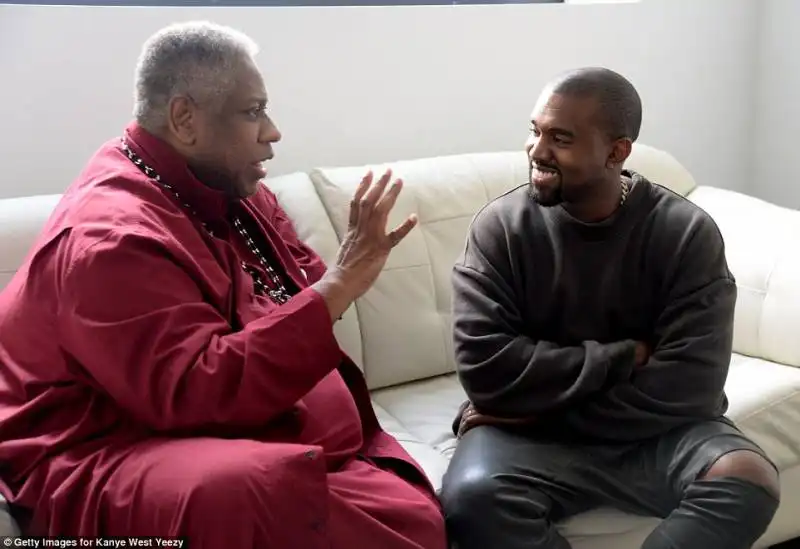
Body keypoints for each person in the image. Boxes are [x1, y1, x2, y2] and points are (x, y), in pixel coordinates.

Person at [0, 21, 447, 549]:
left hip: (220, 421)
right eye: (253, 112)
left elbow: (293, 283)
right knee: (250, 487)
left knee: (400, 510)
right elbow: (191, 389)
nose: (273, 132)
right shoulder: (112, 239)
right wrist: (340, 284)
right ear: (185, 118)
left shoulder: (227, 185)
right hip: (100, 445)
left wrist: (331, 285)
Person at [439, 67, 781, 549]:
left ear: (617, 151)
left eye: (560, 138)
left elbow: (691, 388)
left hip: (635, 432)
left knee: (746, 476)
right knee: (472, 499)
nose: (537, 151)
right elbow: (486, 369)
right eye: (534, 132)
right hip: (526, 442)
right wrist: (623, 357)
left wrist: (534, 412)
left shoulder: (684, 233)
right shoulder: (501, 230)